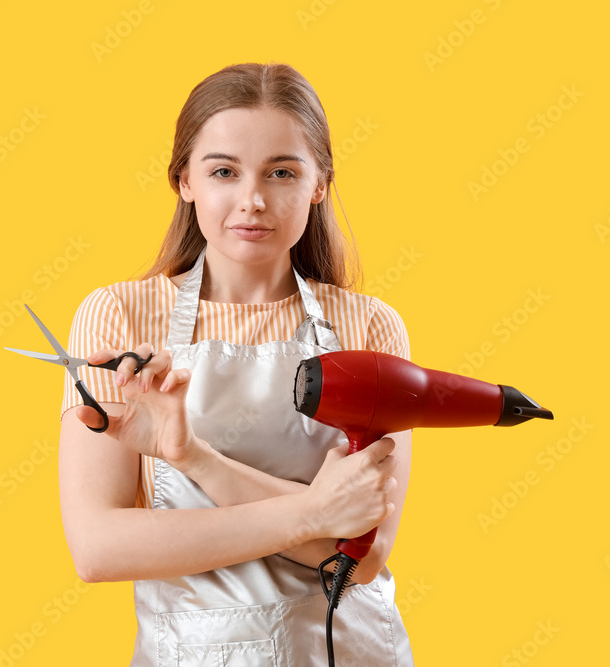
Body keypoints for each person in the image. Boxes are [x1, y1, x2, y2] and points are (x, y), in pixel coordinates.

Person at [58, 62, 415, 666]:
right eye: (223, 170)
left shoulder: (369, 327)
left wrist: (196, 459)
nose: (252, 200)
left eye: (282, 172)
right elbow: (99, 547)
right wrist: (312, 513)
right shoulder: (120, 318)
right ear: (184, 181)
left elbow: (364, 555)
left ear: (319, 184)